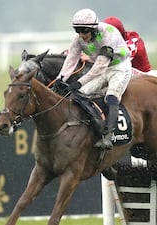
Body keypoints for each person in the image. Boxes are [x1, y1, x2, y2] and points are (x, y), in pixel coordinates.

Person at [56, 8, 132, 150]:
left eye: (84, 30)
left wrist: (79, 82)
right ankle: (91, 128)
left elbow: (100, 66)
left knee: (111, 97)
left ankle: (109, 137)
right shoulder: (78, 39)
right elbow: (71, 60)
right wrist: (60, 79)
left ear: (94, 28)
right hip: (101, 69)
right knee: (79, 95)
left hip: (119, 67)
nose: (81, 35)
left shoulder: (109, 34)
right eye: (77, 31)